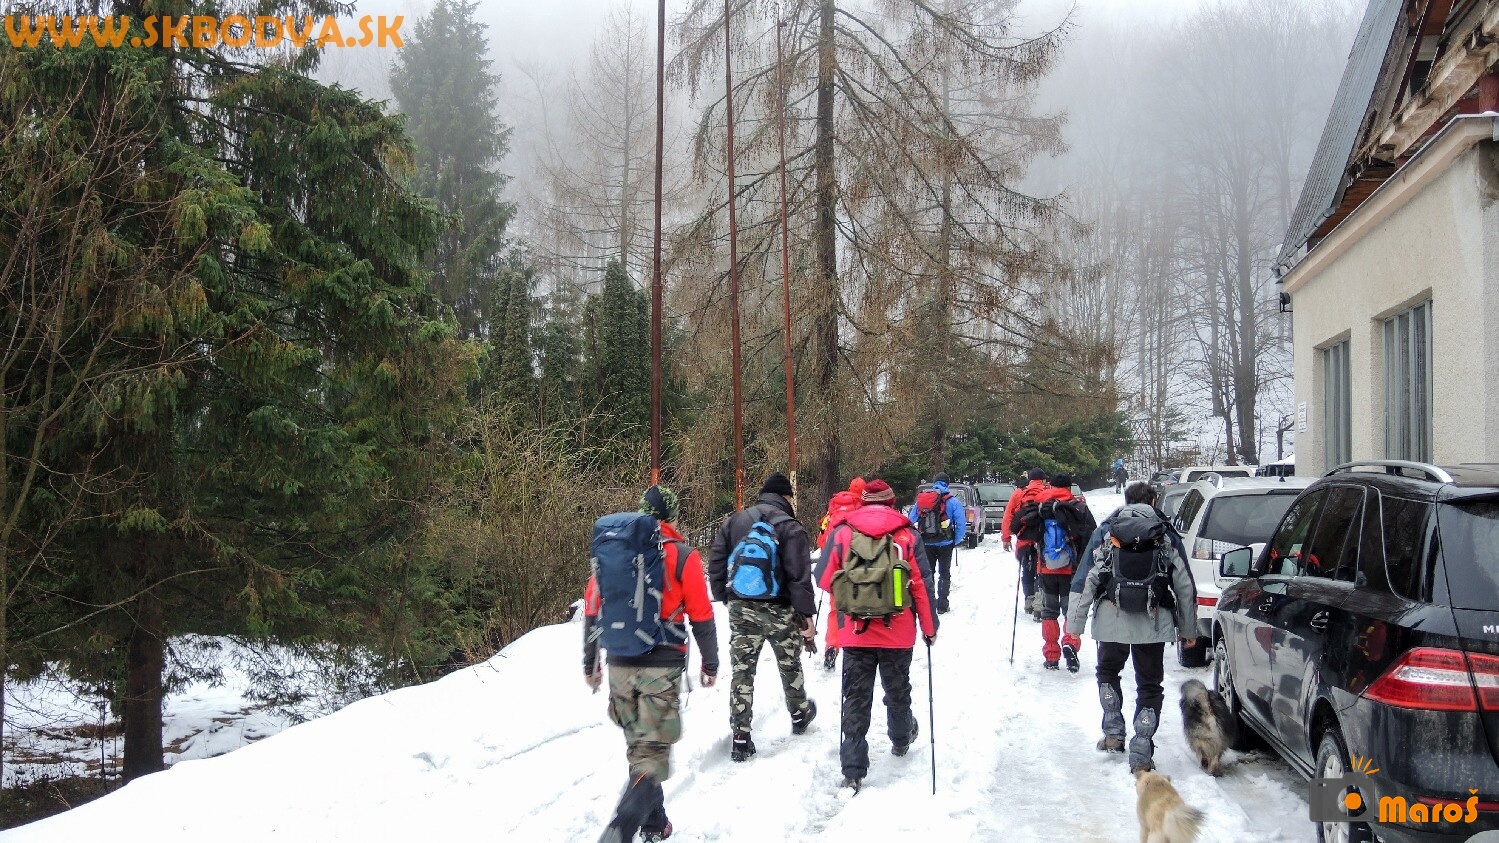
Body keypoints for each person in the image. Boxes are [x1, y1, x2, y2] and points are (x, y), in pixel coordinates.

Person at [584, 486, 719, 843]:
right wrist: (710, 662)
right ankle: (621, 828)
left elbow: (593, 606)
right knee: (652, 754)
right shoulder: (683, 556)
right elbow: (702, 615)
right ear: (672, 515)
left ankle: (655, 823)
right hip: (662, 664)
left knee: (639, 746)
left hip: (618, 663)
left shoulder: (618, 554)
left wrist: (590, 662)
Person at [1066, 481, 1198, 774]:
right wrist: (1189, 629)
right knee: (1149, 684)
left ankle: (1113, 734)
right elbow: (1185, 584)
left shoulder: (1106, 532)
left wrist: (1073, 626)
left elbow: (1086, 578)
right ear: (1153, 500)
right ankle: (1141, 751)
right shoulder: (1164, 533)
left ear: (1126, 501)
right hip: (1153, 621)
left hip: (1111, 619)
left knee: (1108, 671)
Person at [818, 479, 938, 792]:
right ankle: (900, 739)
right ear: (892, 502)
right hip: (897, 632)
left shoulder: (843, 532)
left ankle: (853, 769)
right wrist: (929, 626)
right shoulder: (908, 534)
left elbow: (824, 578)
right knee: (897, 689)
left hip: (856, 634)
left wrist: (853, 598)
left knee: (856, 698)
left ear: (864, 501)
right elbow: (922, 584)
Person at [708, 471, 819, 763]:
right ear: (786, 496)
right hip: (780, 609)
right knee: (790, 664)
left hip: (741, 607)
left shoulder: (735, 521)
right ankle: (799, 714)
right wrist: (806, 616)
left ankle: (741, 736)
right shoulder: (790, 527)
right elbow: (799, 576)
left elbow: (717, 561)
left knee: (742, 671)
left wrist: (724, 595)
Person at [1033, 473, 1096, 672]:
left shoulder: (1041, 507)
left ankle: (1051, 656)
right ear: (1069, 488)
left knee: (1049, 612)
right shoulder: (1078, 507)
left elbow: (1028, 534)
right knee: (1072, 611)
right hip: (1073, 570)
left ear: (1050, 485)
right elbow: (1093, 535)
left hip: (1046, 568)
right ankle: (1070, 643)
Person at [817, 477, 867, 671]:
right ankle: (856, 647)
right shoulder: (862, 509)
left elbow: (821, 540)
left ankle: (832, 645)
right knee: (859, 608)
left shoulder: (833, 510)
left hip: (834, 567)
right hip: (856, 568)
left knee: (835, 611)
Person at [906, 471, 966, 613]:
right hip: (945, 543)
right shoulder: (952, 501)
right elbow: (961, 524)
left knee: (928, 573)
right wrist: (954, 541)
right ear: (947, 483)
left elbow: (910, 520)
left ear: (934, 482)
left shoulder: (923, 500)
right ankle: (942, 605)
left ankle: (928, 603)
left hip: (926, 543)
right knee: (944, 573)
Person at [1001, 468, 1049, 622]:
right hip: (1042, 540)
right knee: (1041, 571)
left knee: (1026, 571)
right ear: (1042, 480)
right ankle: (1039, 607)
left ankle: (1028, 602)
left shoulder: (1019, 493)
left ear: (1029, 480)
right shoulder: (1048, 492)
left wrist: (1006, 537)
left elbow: (1009, 516)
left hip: (1024, 540)